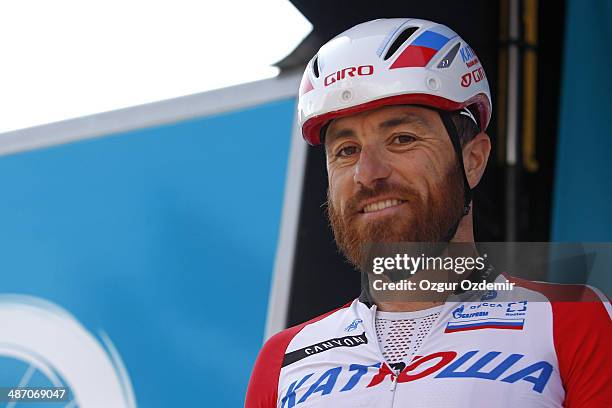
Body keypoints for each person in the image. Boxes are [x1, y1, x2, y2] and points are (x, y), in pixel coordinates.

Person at [245, 18, 611, 407]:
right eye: (346, 150)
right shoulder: (283, 359)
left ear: (473, 160)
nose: (368, 174)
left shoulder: (572, 320)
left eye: (402, 139)